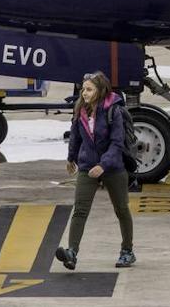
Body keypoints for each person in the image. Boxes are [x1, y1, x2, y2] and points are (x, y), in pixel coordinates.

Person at [55, 71, 136, 270]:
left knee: (122, 210)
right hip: (87, 166)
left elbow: (117, 144)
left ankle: (127, 251)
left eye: (89, 89)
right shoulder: (80, 109)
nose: (84, 93)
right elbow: (76, 135)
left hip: (113, 167)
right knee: (80, 210)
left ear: (100, 91)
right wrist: (71, 157)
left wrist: (103, 165)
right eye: (83, 89)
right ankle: (72, 252)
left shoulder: (113, 111)